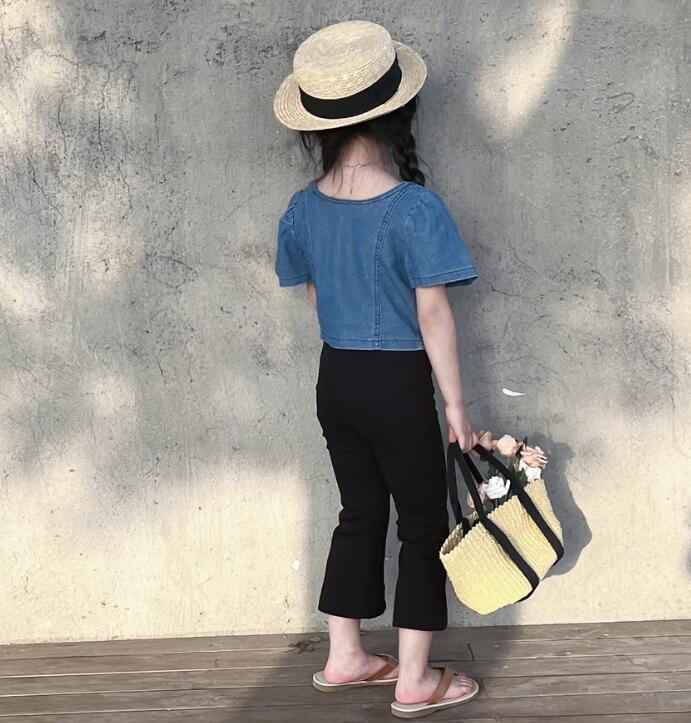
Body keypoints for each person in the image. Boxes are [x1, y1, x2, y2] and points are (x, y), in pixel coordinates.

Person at [272, 19, 481, 719]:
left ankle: (346, 656)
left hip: (336, 378)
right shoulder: (414, 208)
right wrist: (455, 406)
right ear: (397, 114)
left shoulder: (301, 209)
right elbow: (433, 315)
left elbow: (315, 295)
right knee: (420, 523)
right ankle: (414, 679)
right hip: (396, 385)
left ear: (318, 127)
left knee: (358, 512)